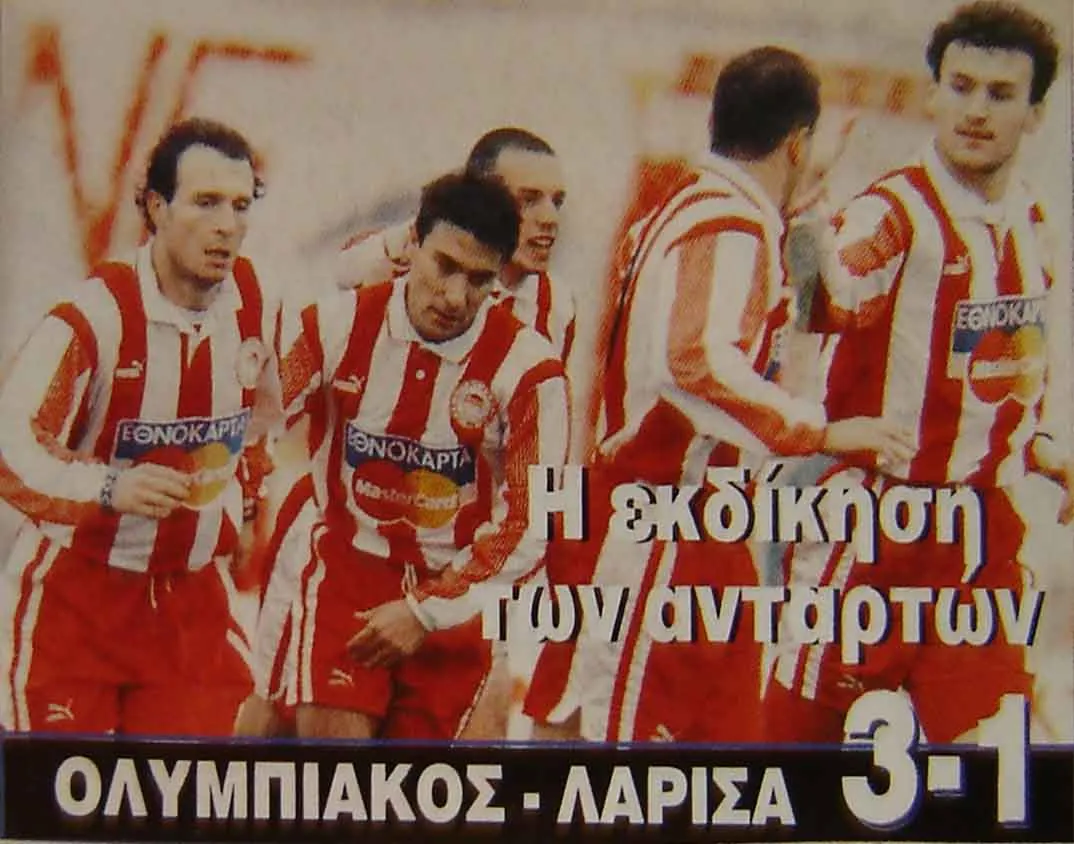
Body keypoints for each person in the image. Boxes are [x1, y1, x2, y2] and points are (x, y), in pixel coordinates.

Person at [523, 46, 915, 743]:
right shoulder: (727, 225)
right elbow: (694, 361)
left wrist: (810, 200)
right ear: (796, 142)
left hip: (704, 530)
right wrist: (823, 432)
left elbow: (797, 310)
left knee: (721, 758)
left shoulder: (699, 208)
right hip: (662, 528)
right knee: (610, 751)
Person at [766, 0, 1070, 744]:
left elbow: (997, 376)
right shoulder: (894, 213)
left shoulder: (1031, 225)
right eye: (960, 87)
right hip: (879, 528)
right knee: (800, 761)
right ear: (933, 94)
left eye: (1000, 94)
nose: (976, 110)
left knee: (996, 762)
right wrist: (805, 213)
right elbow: (826, 300)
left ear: (1035, 113)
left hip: (982, 537)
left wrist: (1041, 451)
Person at [236, 127, 575, 738]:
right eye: (528, 200)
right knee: (283, 720)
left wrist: (436, 607)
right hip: (345, 552)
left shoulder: (544, 340)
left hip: (461, 570)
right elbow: (255, 415)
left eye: (557, 201)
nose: (455, 295)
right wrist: (236, 500)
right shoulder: (346, 313)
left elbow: (535, 509)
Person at [0, 117, 276, 735]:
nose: (227, 225)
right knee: (64, 794)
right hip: (79, 606)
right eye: (205, 202)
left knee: (198, 790)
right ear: (156, 207)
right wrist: (108, 487)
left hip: (188, 607)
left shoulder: (255, 304)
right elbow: (11, 446)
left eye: (240, 205)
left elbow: (263, 424)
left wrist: (244, 503)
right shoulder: (93, 317)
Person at [337, 127, 575, 361]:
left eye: (556, 202)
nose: (550, 218)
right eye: (529, 200)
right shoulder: (399, 258)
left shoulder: (556, 305)